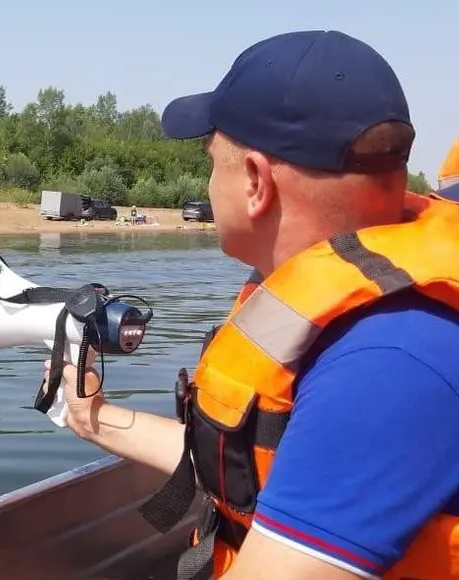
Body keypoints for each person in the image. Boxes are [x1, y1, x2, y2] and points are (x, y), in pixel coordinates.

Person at [47, 30, 459, 580]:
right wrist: (93, 418)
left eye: (210, 159)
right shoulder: (370, 326)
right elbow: (269, 461)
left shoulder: (389, 361)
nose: (207, 181)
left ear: (255, 181)